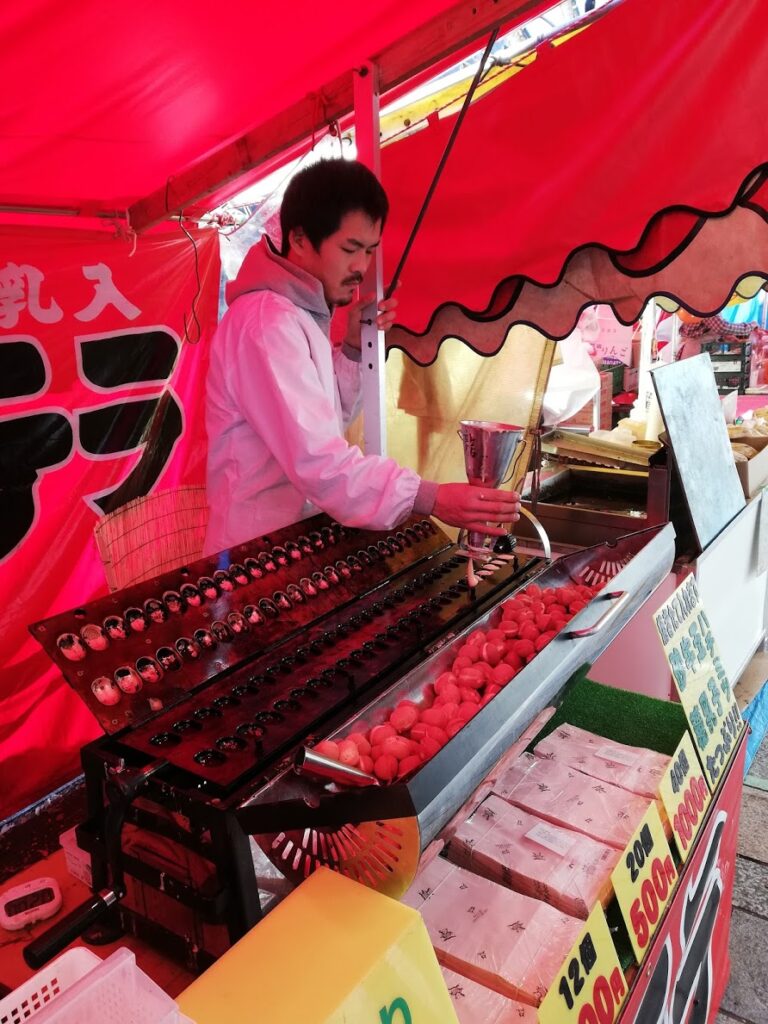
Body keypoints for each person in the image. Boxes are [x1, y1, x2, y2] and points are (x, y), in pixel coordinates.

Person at [204, 158, 521, 554]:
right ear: (300, 239)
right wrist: (429, 497)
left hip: (289, 543)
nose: (361, 267)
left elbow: (323, 418)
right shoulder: (266, 323)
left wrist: (353, 348)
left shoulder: (297, 313)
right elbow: (319, 461)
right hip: (251, 553)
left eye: (369, 250)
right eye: (350, 249)